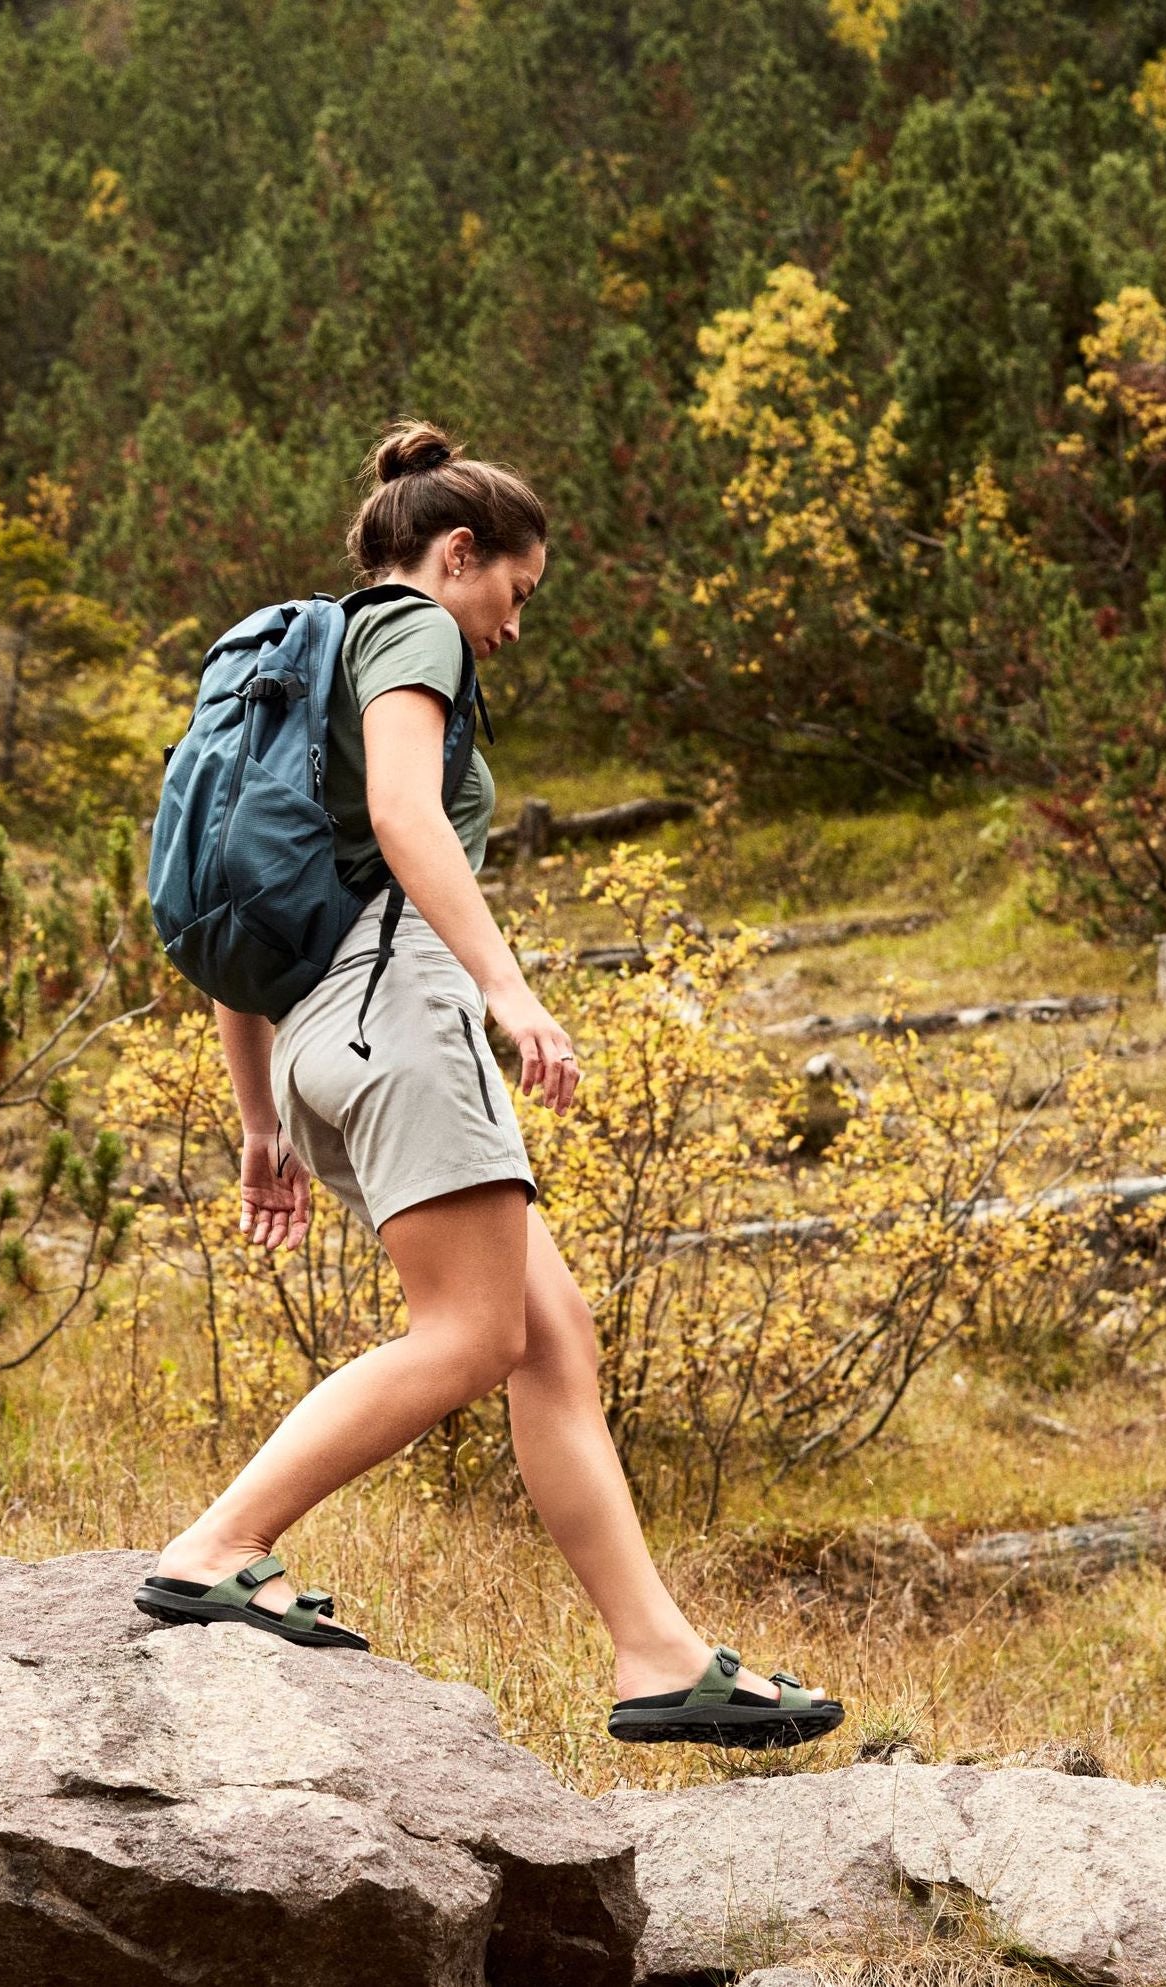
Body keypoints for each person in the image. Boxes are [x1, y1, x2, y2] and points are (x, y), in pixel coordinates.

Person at [137, 421, 840, 1747]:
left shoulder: (294, 668)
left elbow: (238, 900)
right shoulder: (414, 632)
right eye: (515, 595)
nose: (513, 631)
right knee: (469, 1339)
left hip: (314, 1044)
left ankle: (656, 1656)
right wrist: (509, 995)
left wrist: (257, 1117)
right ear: (458, 556)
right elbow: (407, 819)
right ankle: (221, 1543)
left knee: (550, 1336)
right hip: (403, 1014)